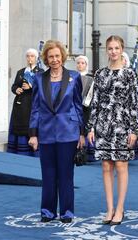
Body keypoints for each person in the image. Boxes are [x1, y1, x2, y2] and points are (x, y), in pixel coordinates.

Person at [28, 40, 85, 223]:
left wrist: (81, 132)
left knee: (66, 175)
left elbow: (77, 106)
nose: (54, 60)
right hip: (45, 133)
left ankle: (67, 212)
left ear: (63, 57)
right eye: (51, 56)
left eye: (57, 56)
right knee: (48, 174)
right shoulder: (38, 78)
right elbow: (35, 108)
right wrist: (33, 134)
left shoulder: (74, 77)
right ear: (46, 58)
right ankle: (47, 212)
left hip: (68, 132)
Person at [87, 35, 138, 225]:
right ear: (106, 51)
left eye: (116, 48)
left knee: (120, 165)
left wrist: (134, 129)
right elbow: (95, 101)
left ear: (122, 49)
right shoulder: (100, 73)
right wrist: (91, 127)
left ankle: (120, 208)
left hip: (122, 125)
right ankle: (109, 209)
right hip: (103, 124)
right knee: (106, 166)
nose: (113, 51)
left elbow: (134, 102)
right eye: (110, 48)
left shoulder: (129, 74)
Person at [7, 48, 44, 156]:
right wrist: (16, 90)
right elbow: (14, 85)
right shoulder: (21, 71)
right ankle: (19, 150)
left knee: (30, 124)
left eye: (32, 56)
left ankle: (32, 151)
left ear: (36, 58)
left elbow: (43, 88)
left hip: (32, 104)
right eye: (28, 56)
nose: (29, 58)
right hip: (20, 104)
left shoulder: (40, 72)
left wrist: (31, 86)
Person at [75, 55, 96, 162]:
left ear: (86, 65)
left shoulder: (91, 78)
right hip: (74, 106)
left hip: (86, 107)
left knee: (85, 125)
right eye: (78, 63)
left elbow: (93, 94)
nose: (80, 65)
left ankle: (87, 153)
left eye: (82, 63)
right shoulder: (73, 76)